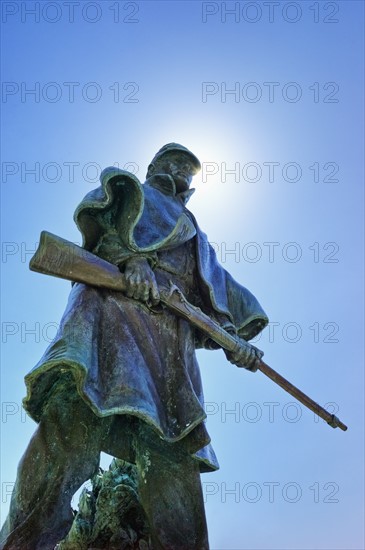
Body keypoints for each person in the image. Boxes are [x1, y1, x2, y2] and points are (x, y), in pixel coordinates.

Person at [0, 143, 268, 550]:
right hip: (111, 322)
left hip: (169, 355)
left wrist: (236, 342)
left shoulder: (198, 240)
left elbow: (219, 302)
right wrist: (129, 257)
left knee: (174, 459)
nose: (181, 173)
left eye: (188, 171)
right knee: (68, 436)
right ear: (155, 166)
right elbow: (99, 233)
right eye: (174, 163)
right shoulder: (131, 194)